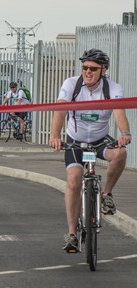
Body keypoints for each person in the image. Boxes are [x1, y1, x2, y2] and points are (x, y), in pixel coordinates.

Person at [48, 49, 131, 253]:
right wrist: (55, 135)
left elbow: (119, 111)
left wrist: (125, 132)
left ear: (103, 70)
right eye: (84, 67)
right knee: (74, 181)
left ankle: (107, 194)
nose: (87, 72)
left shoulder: (113, 88)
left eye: (93, 69)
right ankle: (72, 234)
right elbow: (60, 110)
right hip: (75, 140)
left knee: (120, 154)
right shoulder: (71, 84)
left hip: (100, 140)